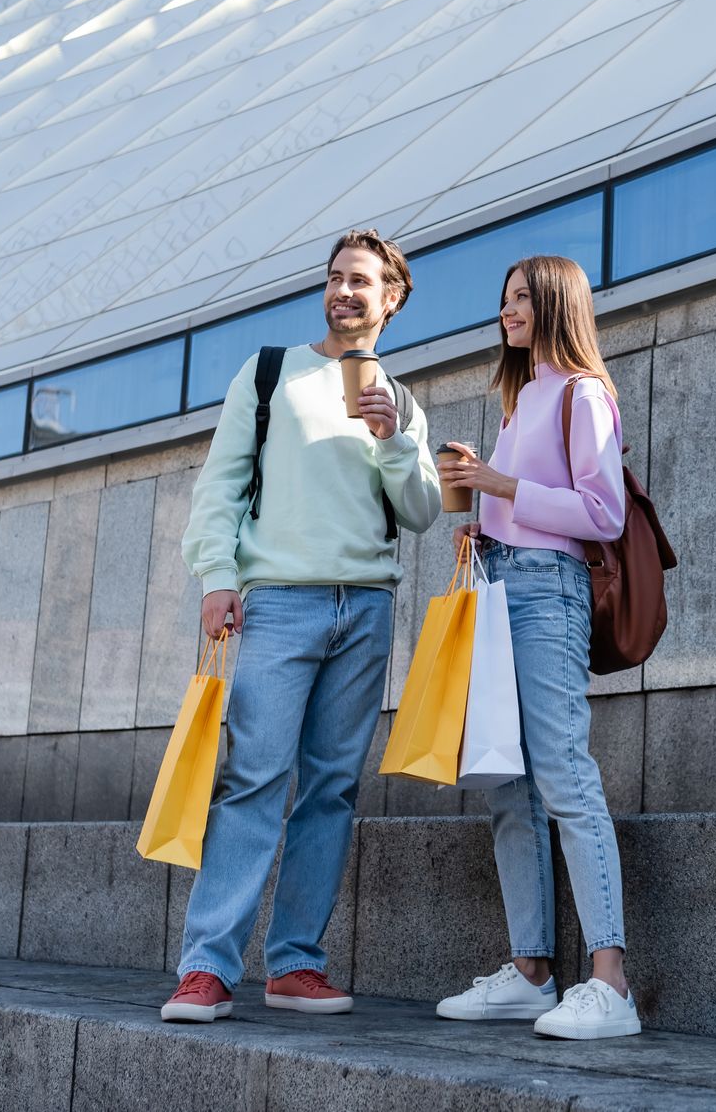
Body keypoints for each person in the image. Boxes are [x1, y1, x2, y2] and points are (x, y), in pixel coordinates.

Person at [162, 229, 442, 1023]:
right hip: (279, 602)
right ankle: (207, 966)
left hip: (367, 608)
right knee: (253, 776)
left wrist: (392, 438)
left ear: (391, 299)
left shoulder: (401, 400)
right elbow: (218, 487)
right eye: (334, 278)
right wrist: (218, 577)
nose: (343, 291)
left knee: (331, 790)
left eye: (361, 281)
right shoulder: (271, 374)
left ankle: (293, 963)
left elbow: (421, 511)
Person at [433, 254, 639, 1041]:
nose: (507, 311)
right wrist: (483, 515)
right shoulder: (521, 399)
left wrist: (503, 486)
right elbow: (521, 502)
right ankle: (529, 972)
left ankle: (611, 982)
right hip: (502, 582)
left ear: (555, 303)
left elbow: (603, 512)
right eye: (504, 299)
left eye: (521, 299)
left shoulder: (583, 393)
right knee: (505, 781)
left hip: (551, 590)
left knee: (561, 772)